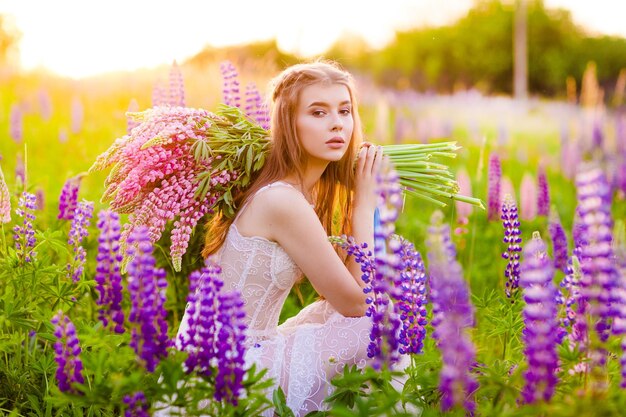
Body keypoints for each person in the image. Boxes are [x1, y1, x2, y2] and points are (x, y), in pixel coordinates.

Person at [177, 60, 384, 416]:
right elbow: (358, 303)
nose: (337, 123)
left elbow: (354, 288)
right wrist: (365, 207)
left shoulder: (299, 192)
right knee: (379, 327)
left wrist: (362, 204)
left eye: (345, 110)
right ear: (289, 124)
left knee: (344, 316)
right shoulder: (283, 200)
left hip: (237, 352)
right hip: (229, 371)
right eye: (318, 112)